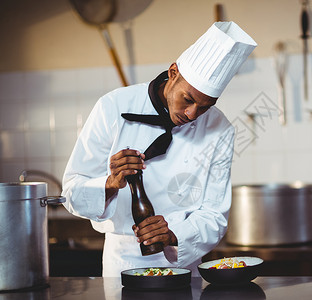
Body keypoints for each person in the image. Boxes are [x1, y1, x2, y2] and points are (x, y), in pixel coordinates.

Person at [62, 21, 257, 277]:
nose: (192, 114)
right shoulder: (112, 105)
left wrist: (174, 234)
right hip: (122, 262)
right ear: (173, 72)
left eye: (205, 106)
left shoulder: (219, 128)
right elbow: (72, 191)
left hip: (184, 260)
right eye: (187, 99)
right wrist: (110, 184)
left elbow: (214, 215)